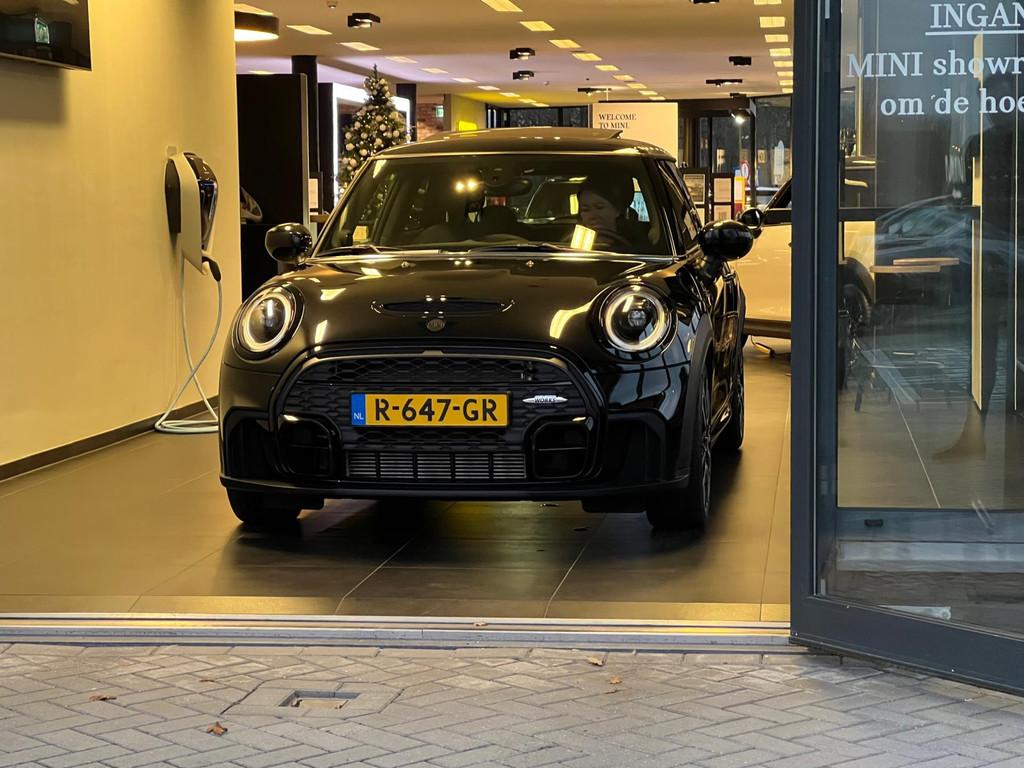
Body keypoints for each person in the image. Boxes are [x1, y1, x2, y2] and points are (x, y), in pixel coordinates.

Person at [578, 175, 647, 251]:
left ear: (617, 210)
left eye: (600, 207)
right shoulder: (575, 242)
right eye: (585, 210)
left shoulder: (637, 244)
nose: (592, 216)